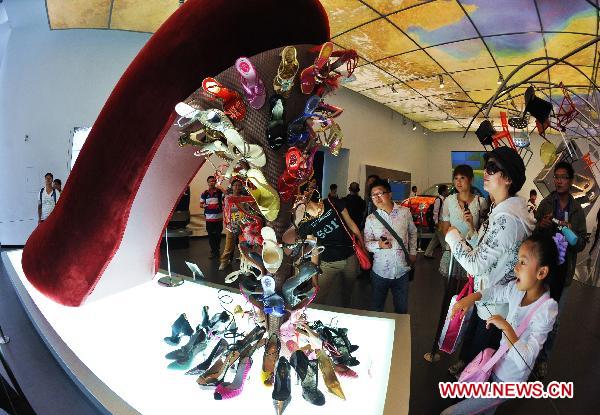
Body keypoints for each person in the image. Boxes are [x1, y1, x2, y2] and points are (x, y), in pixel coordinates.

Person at [441, 233, 560, 415]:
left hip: (509, 381)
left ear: (541, 272)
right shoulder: (517, 290)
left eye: (522, 262)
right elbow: (495, 292)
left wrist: (506, 327)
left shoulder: (546, 309)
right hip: (497, 365)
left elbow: (526, 361)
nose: (515, 267)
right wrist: (470, 299)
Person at [445, 147, 535, 378]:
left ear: (508, 178)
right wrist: (473, 233)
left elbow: (475, 263)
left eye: (493, 168)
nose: (486, 172)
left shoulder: (507, 219)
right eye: (486, 167)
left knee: (481, 362)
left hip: (495, 305)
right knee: (474, 348)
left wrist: (452, 235)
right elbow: (490, 249)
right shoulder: (500, 209)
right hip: (488, 296)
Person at [533, 161, 587, 377]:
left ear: (571, 181)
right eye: (556, 177)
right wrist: (541, 226)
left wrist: (572, 234)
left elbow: (581, 244)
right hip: (543, 271)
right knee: (533, 316)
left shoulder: (577, 211)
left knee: (553, 322)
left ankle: (543, 358)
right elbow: (533, 238)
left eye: (564, 177)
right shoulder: (545, 204)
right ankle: (528, 356)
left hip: (563, 274)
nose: (559, 180)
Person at [299, 190, 363, 308]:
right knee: (318, 297)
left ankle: (346, 311)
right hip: (328, 262)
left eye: (299, 196)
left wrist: (362, 246)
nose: (298, 200)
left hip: (350, 256)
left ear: (306, 194)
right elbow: (314, 248)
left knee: (348, 292)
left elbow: (350, 223)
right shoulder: (305, 223)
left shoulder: (331, 202)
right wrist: (314, 279)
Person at [364, 179, 417, 314]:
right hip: (380, 271)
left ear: (390, 194)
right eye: (373, 195)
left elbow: (412, 232)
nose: (376, 197)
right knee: (377, 308)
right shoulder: (371, 219)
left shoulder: (404, 212)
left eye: (380, 193)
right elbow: (367, 244)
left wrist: (413, 252)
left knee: (401, 309)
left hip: (402, 271)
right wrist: (379, 245)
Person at [438, 166, 488, 278]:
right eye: (456, 178)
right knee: (451, 288)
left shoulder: (481, 202)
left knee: (470, 287)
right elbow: (445, 228)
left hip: (473, 252)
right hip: (453, 252)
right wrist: (454, 244)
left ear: (471, 180)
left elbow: (484, 230)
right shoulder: (449, 201)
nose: (458, 182)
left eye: (462, 178)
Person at [219, 179, 245, 270]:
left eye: (239, 185)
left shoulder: (244, 198)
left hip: (242, 226)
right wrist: (227, 223)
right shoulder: (227, 198)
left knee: (243, 246)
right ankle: (224, 262)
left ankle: (245, 263)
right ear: (232, 187)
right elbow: (225, 211)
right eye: (235, 185)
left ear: (241, 187)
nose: (237, 187)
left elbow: (247, 211)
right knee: (228, 246)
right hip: (231, 226)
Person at [200, 175, 224, 259]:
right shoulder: (204, 193)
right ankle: (214, 251)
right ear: (207, 182)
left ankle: (216, 249)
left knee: (218, 235)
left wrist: (220, 206)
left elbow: (225, 201)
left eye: (214, 181)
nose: (212, 182)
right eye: (210, 181)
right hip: (209, 218)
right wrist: (209, 206)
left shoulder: (220, 192)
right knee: (210, 235)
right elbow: (201, 205)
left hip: (219, 218)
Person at [423, 184, 449, 259]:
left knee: (435, 240)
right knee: (444, 241)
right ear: (443, 191)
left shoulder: (444, 200)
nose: (448, 191)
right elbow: (435, 212)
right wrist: (436, 222)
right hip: (440, 223)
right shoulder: (438, 200)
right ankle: (446, 257)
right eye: (447, 190)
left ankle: (427, 253)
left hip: (442, 222)